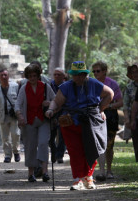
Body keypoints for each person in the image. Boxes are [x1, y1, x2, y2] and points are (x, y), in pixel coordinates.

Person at [45, 61, 113, 190]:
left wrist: (101, 109)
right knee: (75, 152)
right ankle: (77, 179)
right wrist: (50, 110)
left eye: (81, 74)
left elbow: (110, 94)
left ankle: (88, 177)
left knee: (92, 149)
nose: (79, 77)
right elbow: (56, 101)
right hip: (70, 123)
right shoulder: (65, 87)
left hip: (91, 122)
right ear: (71, 75)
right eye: (76, 74)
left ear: (85, 74)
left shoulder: (94, 83)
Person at [15, 62, 56, 182]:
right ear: (27, 76)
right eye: (30, 76)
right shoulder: (24, 88)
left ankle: (45, 172)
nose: (32, 78)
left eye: (34, 75)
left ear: (38, 75)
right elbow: (17, 104)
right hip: (29, 121)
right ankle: (31, 173)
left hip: (43, 119)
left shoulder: (45, 87)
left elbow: (55, 100)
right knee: (30, 146)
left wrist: (49, 104)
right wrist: (20, 116)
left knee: (43, 143)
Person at [91, 61, 123, 181]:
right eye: (94, 71)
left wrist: (107, 106)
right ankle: (101, 170)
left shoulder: (112, 84)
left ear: (104, 71)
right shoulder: (91, 84)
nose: (95, 73)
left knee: (109, 145)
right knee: (98, 144)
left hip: (110, 116)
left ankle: (109, 170)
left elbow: (120, 102)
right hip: (95, 116)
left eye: (98, 71)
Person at [0, 68, 21, 163]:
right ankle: (7, 155)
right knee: (5, 137)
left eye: (5, 75)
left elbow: (21, 100)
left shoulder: (15, 86)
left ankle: (16, 152)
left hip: (14, 115)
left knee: (15, 134)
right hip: (2, 115)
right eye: (2, 75)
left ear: (8, 76)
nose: (4, 77)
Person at [123, 62, 138, 174]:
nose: (135, 74)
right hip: (135, 118)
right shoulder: (129, 87)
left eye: (137, 71)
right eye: (133, 72)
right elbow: (126, 105)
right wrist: (127, 119)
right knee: (137, 142)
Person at [49, 67, 67, 163]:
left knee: (62, 135)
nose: (56, 76)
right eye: (55, 74)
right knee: (50, 136)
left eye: (58, 74)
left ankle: (59, 155)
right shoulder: (49, 85)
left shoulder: (66, 86)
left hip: (63, 112)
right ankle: (54, 152)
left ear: (63, 76)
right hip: (51, 112)